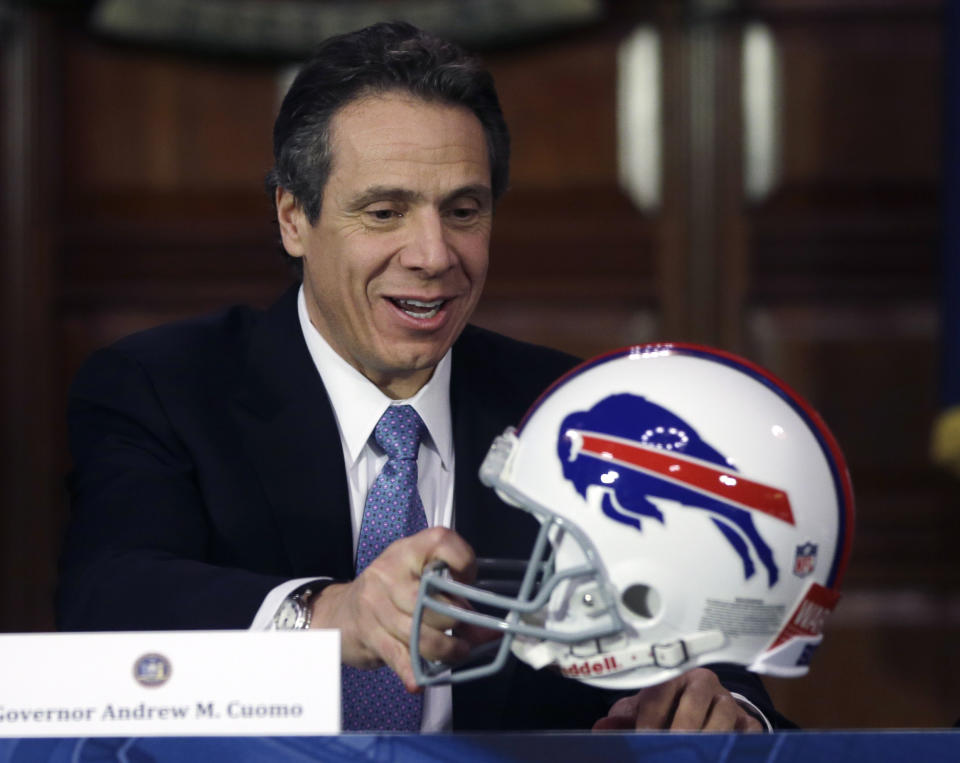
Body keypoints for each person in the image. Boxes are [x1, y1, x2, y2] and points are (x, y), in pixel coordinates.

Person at [57, 21, 787, 732]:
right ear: (292, 217)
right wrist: (331, 614)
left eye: (463, 210)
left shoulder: (576, 413)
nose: (434, 254)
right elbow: (106, 596)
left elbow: (706, 648)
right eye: (385, 211)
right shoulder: (162, 386)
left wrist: (721, 708)